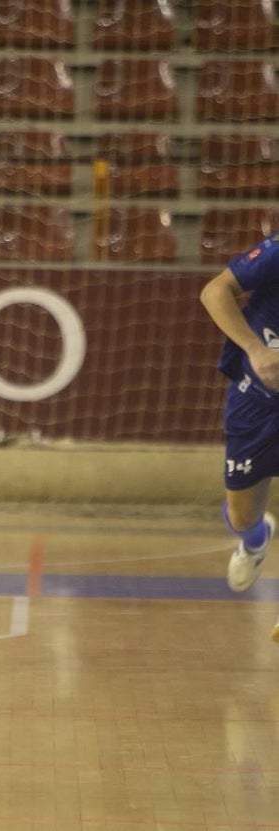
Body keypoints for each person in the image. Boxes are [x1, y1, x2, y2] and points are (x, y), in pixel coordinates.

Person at [199, 233, 279, 621]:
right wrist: (255, 350)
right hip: (256, 402)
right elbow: (215, 292)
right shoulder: (277, 252)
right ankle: (254, 539)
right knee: (243, 515)